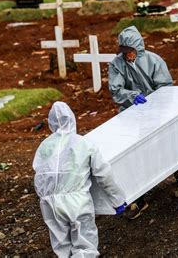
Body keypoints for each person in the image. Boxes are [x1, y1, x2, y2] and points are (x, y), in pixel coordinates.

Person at [108, 25, 178, 220]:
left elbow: (165, 86)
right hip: (132, 113)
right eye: (124, 52)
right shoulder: (117, 65)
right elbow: (116, 89)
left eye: (131, 52)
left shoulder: (153, 61)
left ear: (138, 49)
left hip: (157, 111)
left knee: (166, 140)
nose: (128, 56)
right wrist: (132, 97)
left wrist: (154, 102)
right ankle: (139, 192)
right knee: (136, 151)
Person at [33, 101, 127, 257]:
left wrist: (45, 197)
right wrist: (117, 199)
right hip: (76, 202)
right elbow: (103, 173)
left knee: (62, 248)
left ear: (51, 122)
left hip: (49, 203)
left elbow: (40, 174)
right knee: (85, 246)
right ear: (72, 118)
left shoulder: (44, 146)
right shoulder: (83, 143)